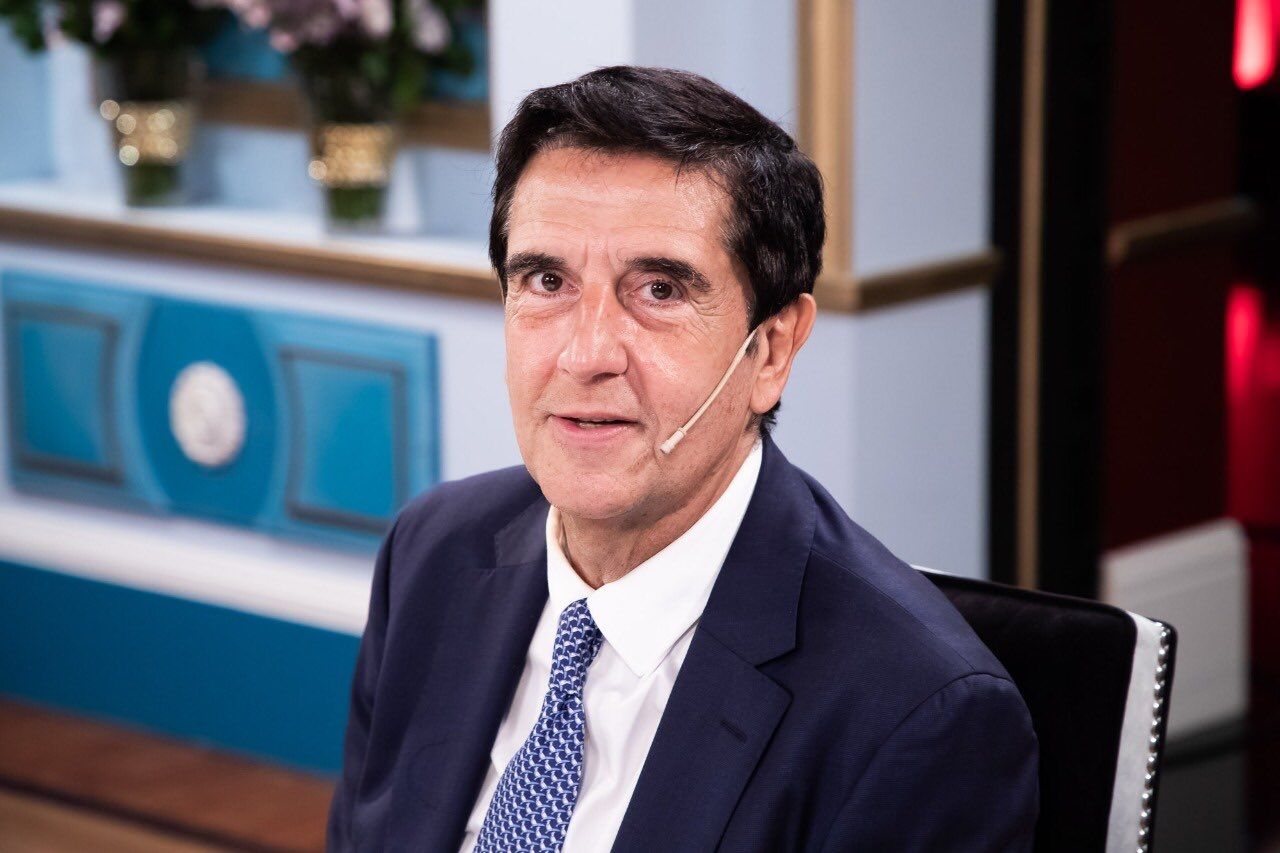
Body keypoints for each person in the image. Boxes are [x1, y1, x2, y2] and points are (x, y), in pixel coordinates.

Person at [326, 65, 1038, 852]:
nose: (586, 354)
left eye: (660, 290)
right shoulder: (431, 551)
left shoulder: (917, 713)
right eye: (547, 280)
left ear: (771, 350)